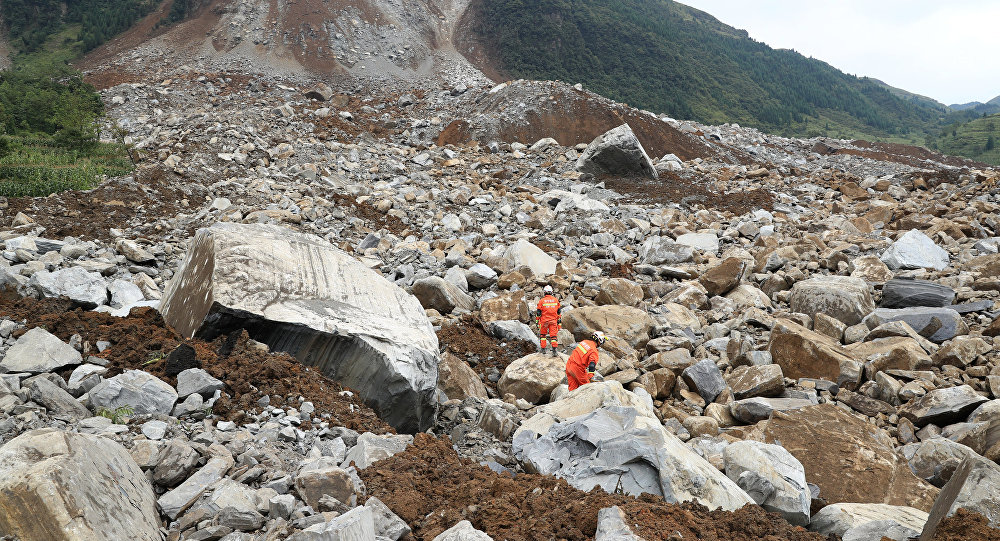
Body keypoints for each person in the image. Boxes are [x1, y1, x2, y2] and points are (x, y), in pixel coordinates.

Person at [536, 285, 562, 356]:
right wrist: (559, 323)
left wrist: (537, 321)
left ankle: (543, 349)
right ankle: (554, 351)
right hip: (553, 321)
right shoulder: (556, 300)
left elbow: (538, 313)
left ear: (544, 292)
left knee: (543, 335)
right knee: (553, 336)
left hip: (544, 321)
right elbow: (559, 312)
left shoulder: (542, 301)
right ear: (551, 292)